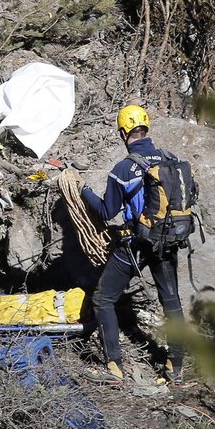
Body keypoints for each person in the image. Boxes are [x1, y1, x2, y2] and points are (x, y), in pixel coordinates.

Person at [80, 105, 187, 385]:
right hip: (167, 239)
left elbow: (106, 212)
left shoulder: (123, 169)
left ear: (123, 132)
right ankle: (176, 366)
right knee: (171, 301)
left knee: (104, 299)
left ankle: (114, 366)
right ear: (146, 128)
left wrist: (84, 191)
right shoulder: (170, 159)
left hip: (135, 244)